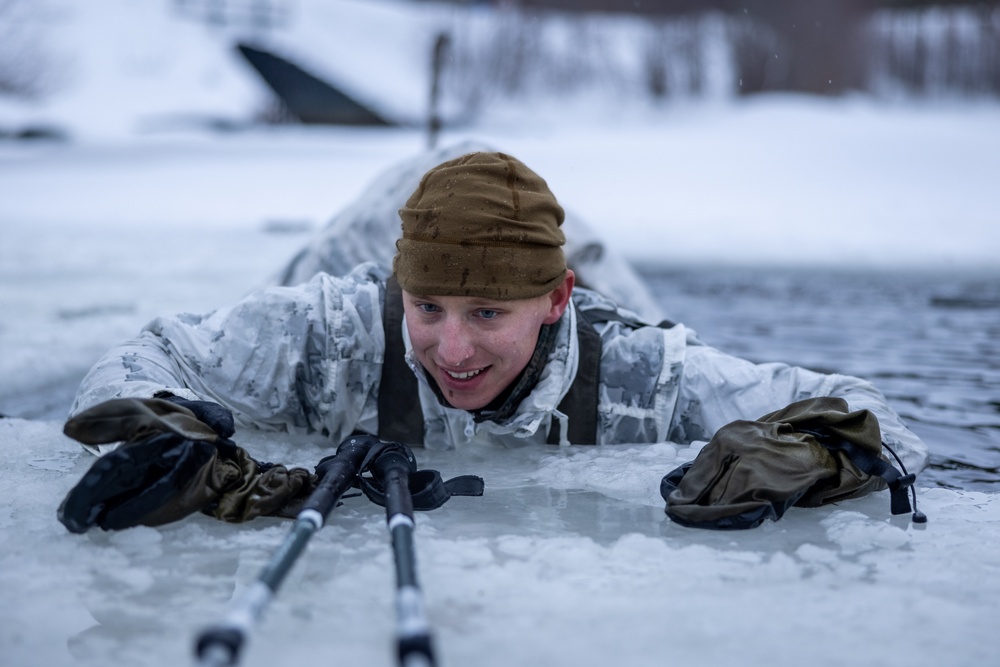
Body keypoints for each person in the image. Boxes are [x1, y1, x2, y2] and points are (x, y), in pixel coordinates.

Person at [70, 150, 929, 478]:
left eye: (488, 311)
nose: (451, 346)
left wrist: (805, 461)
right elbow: (143, 358)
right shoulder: (325, 335)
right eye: (427, 306)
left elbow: (879, 418)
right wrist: (163, 432)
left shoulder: (641, 373)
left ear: (561, 297)